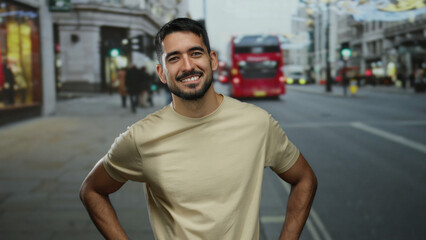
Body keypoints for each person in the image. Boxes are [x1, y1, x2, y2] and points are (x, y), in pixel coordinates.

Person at [80, 18, 317, 240]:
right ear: (162, 73)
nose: (188, 66)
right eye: (174, 58)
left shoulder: (258, 123)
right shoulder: (140, 138)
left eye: (195, 53)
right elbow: (91, 190)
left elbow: (305, 179)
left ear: (212, 60)